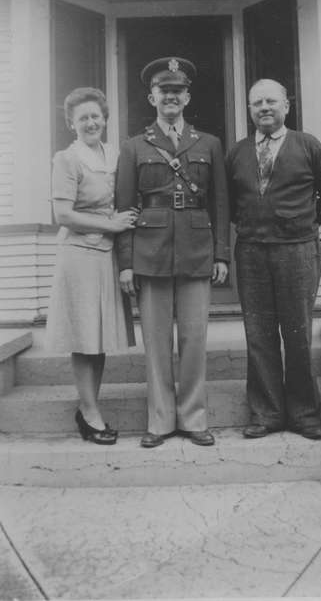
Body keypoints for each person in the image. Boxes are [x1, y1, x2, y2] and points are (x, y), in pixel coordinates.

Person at [116, 57, 230, 448]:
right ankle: (161, 421)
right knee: (157, 340)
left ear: (187, 97)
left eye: (177, 90)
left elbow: (220, 204)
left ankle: (194, 418)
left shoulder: (209, 143)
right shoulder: (134, 147)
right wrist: (126, 263)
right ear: (152, 97)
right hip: (150, 253)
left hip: (198, 251)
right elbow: (125, 209)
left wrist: (221, 255)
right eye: (164, 91)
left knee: (195, 340)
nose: (171, 96)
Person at [226, 78, 321, 440]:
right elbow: (230, 204)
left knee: (296, 334)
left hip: (297, 251)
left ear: (286, 106)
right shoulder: (238, 152)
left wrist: (302, 224)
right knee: (259, 334)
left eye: (271, 102)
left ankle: (305, 414)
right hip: (251, 252)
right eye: (257, 103)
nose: (264, 108)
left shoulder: (307, 145)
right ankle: (267, 414)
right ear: (249, 110)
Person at [46, 87, 138, 445]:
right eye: (82, 118)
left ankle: (90, 407)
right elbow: (63, 214)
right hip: (80, 255)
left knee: (97, 337)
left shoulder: (113, 154)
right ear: (72, 123)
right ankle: (89, 411)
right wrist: (111, 224)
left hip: (107, 255)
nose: (90, 122)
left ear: (105, 119)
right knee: (84, 336)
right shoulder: (67, 159)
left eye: (95, 116)